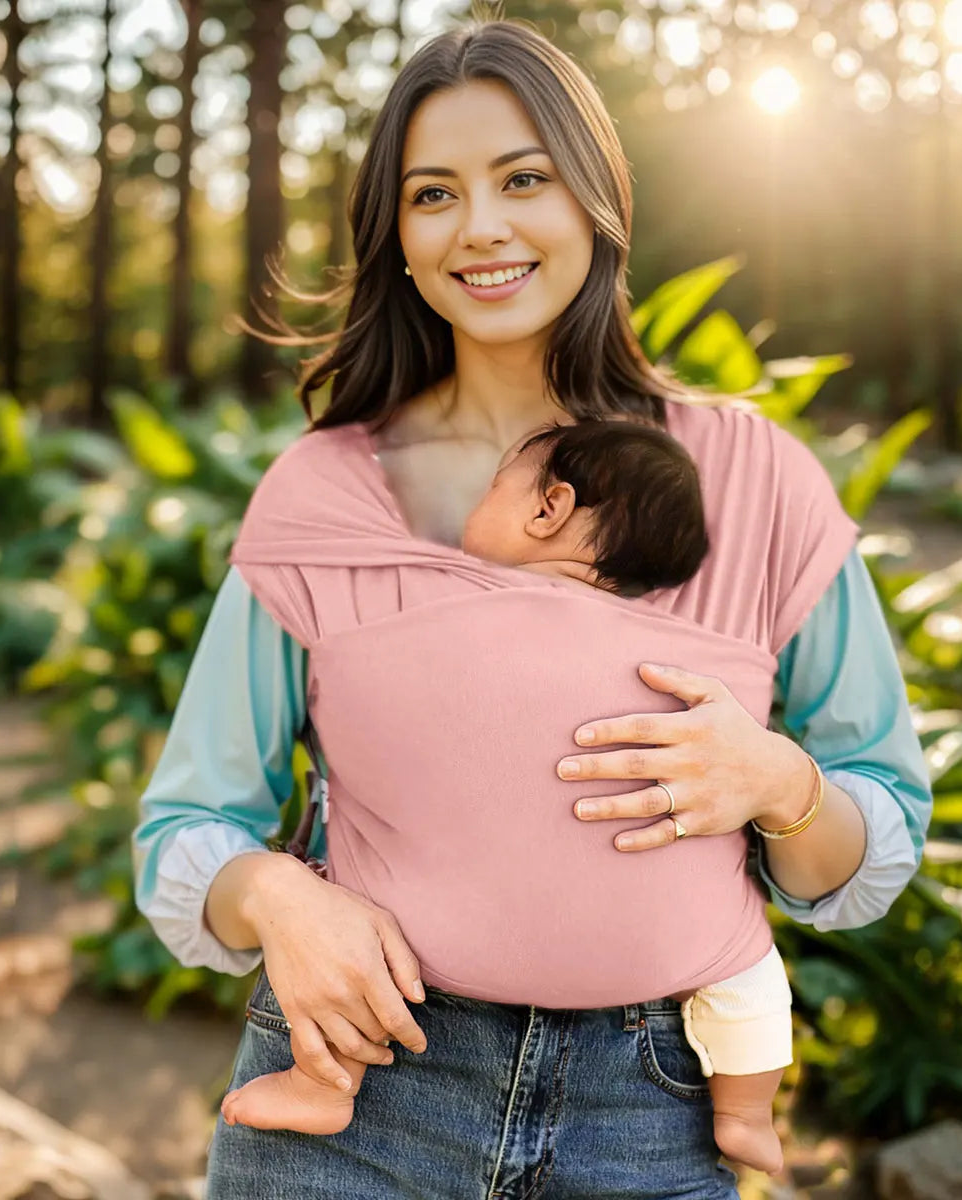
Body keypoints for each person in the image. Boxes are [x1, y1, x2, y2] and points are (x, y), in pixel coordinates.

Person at [132, 18, 932, 1200]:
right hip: (362, 1095)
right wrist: (280, 896)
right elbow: (188, 823)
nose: (483, 227)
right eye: (433, 194)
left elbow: (882, 824)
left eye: (523, 180)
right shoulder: (326, 494)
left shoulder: (753, 484)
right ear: (398, 239)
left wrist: (778, 785)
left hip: (654, 1113)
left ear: (596, 200)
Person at [217, 418, 795, 1175]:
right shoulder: (705, 656)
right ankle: (746, 1110)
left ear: (549, 508)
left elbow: (349, 682)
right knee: (750, 970)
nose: (468, 515)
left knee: (355, 947)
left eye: (494, 488)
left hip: (426, 962)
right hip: (675, 966)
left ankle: (327, 1082)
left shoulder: (441, 607)